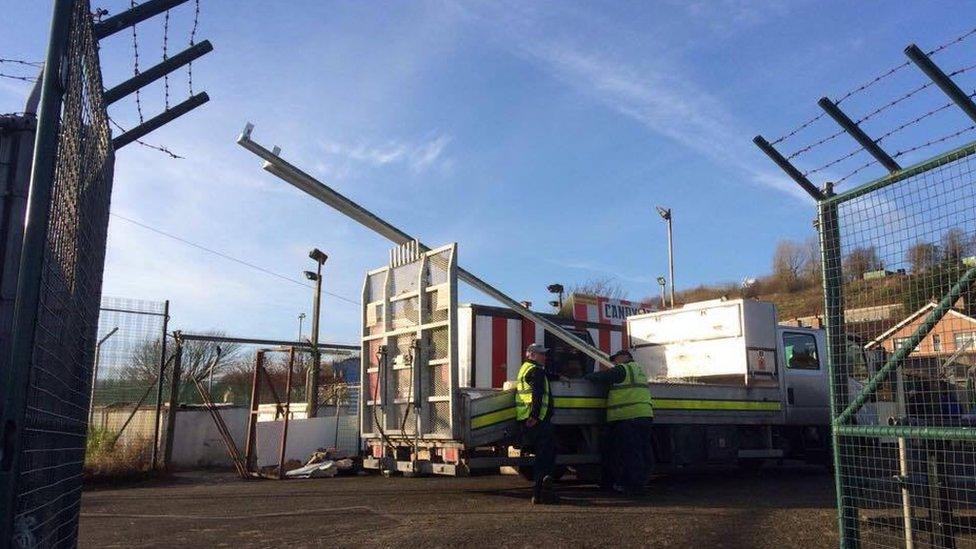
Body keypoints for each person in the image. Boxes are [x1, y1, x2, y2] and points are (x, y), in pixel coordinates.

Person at [585, 349, 654, 495]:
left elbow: (602, 377)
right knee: (640, 452)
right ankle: (638, 483)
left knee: (629, 453)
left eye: (615, 359)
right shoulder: (639, 370)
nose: (614, 363)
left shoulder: (623, 369)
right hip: (644, 415)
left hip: (628, 417)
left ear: (624, 357)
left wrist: (587, 376)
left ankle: (632, 486)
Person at [516, 342, 559, 504]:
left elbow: (544, 377)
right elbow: (537, 393)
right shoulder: (536, 371)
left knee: (543, 456)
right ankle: (542, 493)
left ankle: (539, 493)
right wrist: (534, 415)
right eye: (541, 354)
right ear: (532, 354)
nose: (545, 357)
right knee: (546, 457)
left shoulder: (526, 369)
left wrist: (558, 376)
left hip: (528, 420)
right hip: (538, 421)